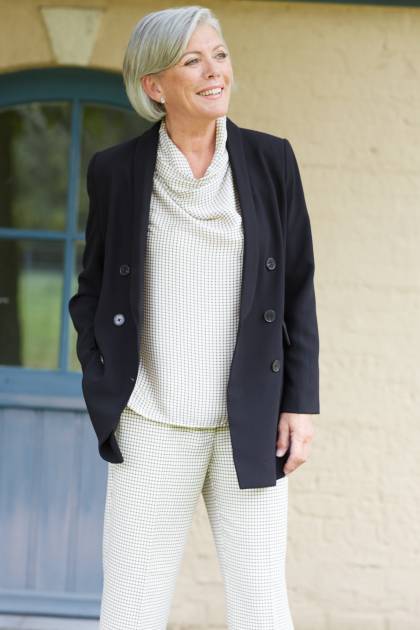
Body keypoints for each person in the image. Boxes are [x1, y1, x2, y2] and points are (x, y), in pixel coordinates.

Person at [69, 5, 320, 629]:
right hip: (151, 421)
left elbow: (297, 289)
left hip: (249, 421)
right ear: (155, 86)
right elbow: (92, 289)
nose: (215, 72)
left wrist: (300, 403)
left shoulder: (272, 161)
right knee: (131, 610)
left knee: (262, 609)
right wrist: (103, 375)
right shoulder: (116, 171)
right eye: (193, 61)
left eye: (220, 55)